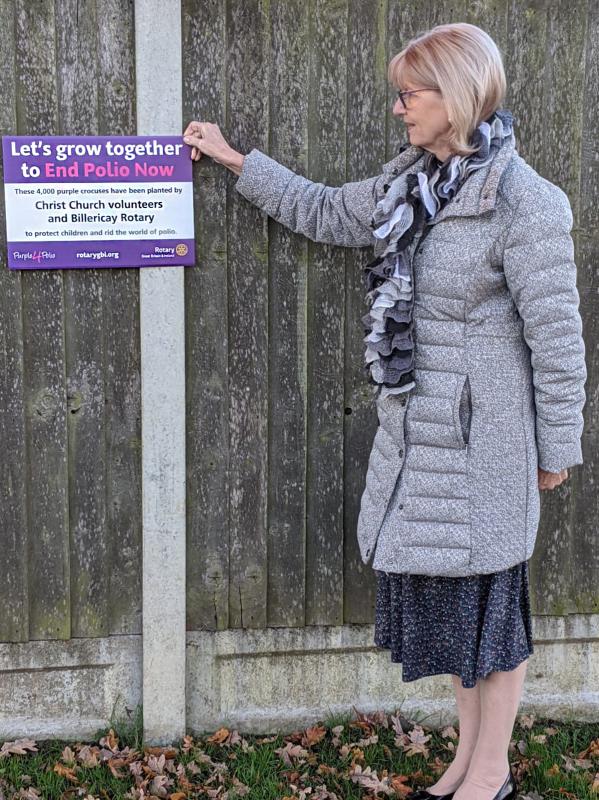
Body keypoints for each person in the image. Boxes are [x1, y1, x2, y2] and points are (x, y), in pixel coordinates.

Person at [182, 21, 586, 800]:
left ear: (457, 95)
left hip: (487, 444)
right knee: (451, 611)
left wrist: (555, 446)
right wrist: (235, 159)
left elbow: (558, 341)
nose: (398, 108)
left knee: (491, 614)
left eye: (410, 93)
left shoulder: (525, 203)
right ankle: (466, 764)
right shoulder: (410, 186)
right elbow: (329, 211)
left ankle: (492, 773)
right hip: (417, 440)